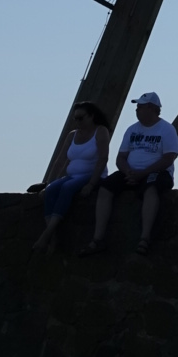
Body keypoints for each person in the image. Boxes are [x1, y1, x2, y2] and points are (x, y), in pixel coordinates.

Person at [80, 92, 178, 257]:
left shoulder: (167, 129)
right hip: (130, 172)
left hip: (156, 172)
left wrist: (143, 173)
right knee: (105, 188)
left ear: (152, 109)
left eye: (140, 107)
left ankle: (145, 238)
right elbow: (120, 157)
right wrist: (128, 172)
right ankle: (98, 239)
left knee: (151, 189)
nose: (137, 110)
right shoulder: (132, 129)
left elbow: (169, 158)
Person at [34, 101, 110, 252]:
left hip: (91, 175)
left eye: (81, 118)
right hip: (72, 175)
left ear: (91, 116)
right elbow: (60, 161)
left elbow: (103, 158)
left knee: (67, 188)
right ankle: (53, 235)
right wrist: (48, 183)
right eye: (75, 118)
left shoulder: (101, 131)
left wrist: (91, 184)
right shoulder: (72, 135)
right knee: (51, 191)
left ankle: (47, 234)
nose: (77, 122)